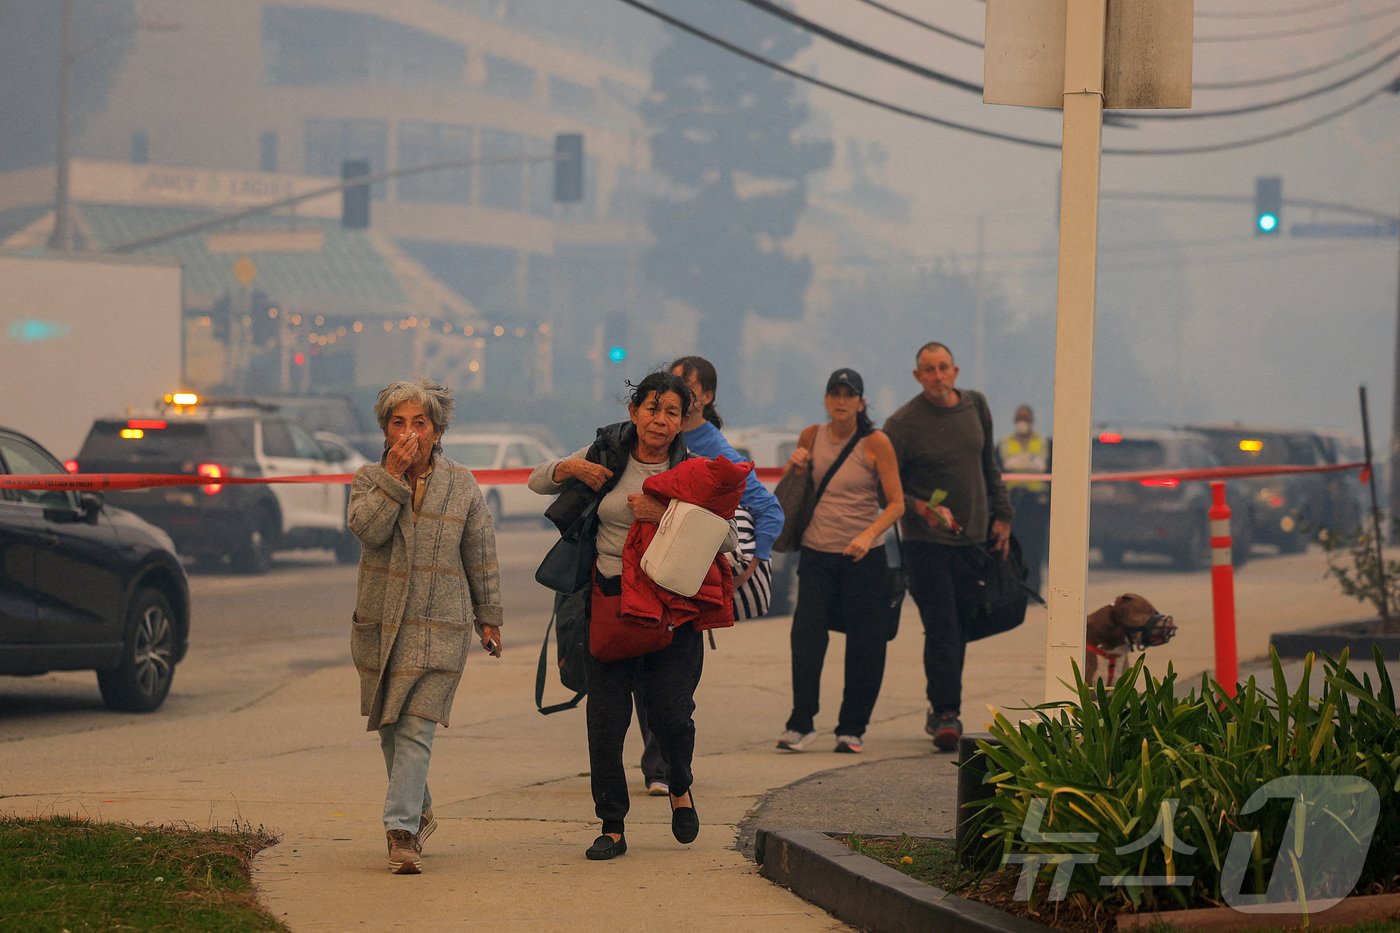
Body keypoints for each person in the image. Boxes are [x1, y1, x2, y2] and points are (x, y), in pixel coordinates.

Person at [528, 371, 739, 861]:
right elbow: (537, 480)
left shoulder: (698, 469)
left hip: (671, 613)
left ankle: (680, 785)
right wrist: (571, 470)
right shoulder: (605, 452)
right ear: (633, 412)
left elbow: (728, 539)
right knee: (605, 722)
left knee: (671, 715)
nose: (659, 420)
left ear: (684, 420)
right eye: (651, 408)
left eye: (671, 412)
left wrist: (664, 514)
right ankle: (612, 826)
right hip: (610, 604)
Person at [348, 378, 503, 875]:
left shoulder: (463, 484)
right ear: (385, 429)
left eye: (420, 423)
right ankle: (417, 805)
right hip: (382, 625)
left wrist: (490, 618)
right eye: (399, 423)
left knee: (416, 728)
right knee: (391, 730)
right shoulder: (369, 479)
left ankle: (401, 832)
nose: (409, 433)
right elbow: (367, 530)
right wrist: (392, 478)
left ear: (438, 431)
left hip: (441, 625)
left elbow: (480, 554)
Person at [884, 343, 1013, 753]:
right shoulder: (902, 424)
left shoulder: (976, 406)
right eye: (928, 370)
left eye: (943, 368)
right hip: (927, 544)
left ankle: (943, 705)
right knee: (943, 627)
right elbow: (887, 484)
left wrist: (1003, 514)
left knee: (966, 623)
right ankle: (945, 712)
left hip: (974, 539)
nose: (938, 377)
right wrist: (920, 506)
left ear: (955, 371)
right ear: (917, 376)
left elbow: (989, 464)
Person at [776, 368, 904, 755]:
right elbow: (793, 491)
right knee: (806, 636)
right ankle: (801, 723)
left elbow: (897, 503)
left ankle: (852, 728)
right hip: (817, 552)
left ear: (861, 403)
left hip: (864, 557)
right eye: (835, 393)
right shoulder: (810, 436)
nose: (842, 401)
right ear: (826, 399)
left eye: (850, 394)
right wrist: (795, 467)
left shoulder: (875, 442)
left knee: (866, 642)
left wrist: (868, 534)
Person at [998, 404, 1050, 595]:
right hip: (1013, 503)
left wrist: (1020, 463)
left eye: (1026, 417)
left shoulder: (1042, 442)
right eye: (1020, 417)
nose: (1022, 421)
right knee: (1013, 549)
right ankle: (1015, 590)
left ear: (1032, 420)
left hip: (1036, 504)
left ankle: (1033, 590)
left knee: (1034, 550)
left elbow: (1043, 466)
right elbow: (1002, 465)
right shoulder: (1005, 442)